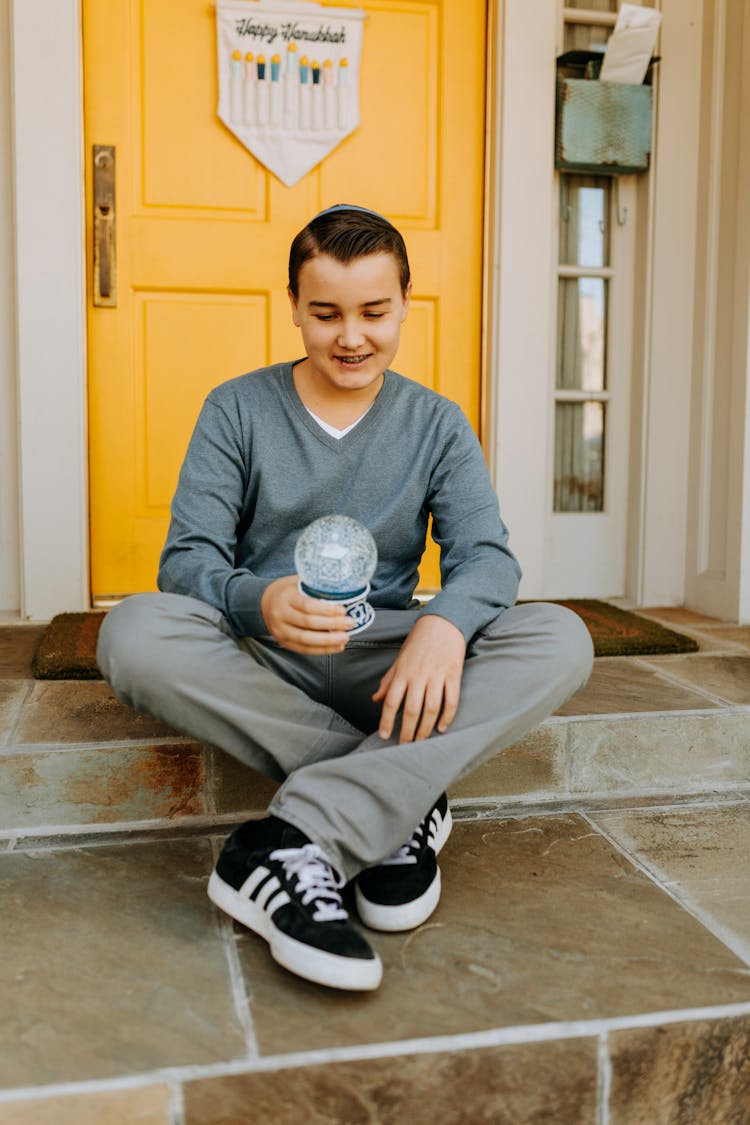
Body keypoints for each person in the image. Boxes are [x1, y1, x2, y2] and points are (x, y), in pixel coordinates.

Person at [97, 204, 593, 993]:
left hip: (392, 671)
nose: (351, 336)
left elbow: (488, 560)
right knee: (131, 632)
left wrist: (443, 624)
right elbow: (187, 560)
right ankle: (396, 799)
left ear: (405, 305)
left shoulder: (436, 424)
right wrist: (256, 602)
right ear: (293, 305)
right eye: (325, 313)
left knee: (561, 637)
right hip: (267, 659)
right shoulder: (236, 408)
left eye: (374, 312)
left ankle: (302, 833)